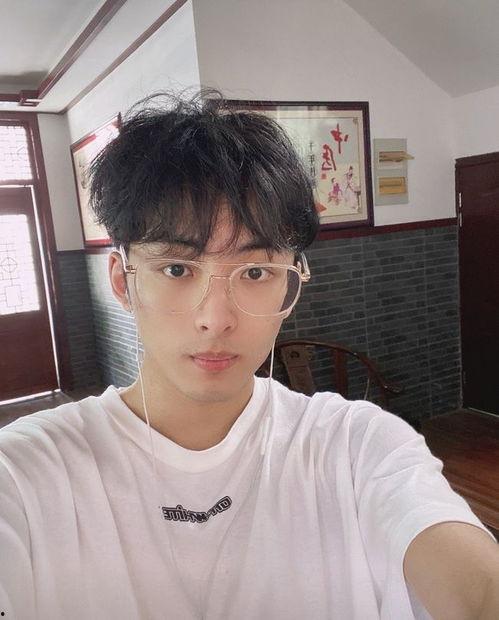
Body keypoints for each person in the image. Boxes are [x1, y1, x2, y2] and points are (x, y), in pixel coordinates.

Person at [0, 91, 498, 620]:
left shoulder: (356, 446)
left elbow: (478, 588)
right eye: (176, 269)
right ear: (124, 282)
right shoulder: (26, 473)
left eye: (255, 272)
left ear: (291, 283)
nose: (216, 318)